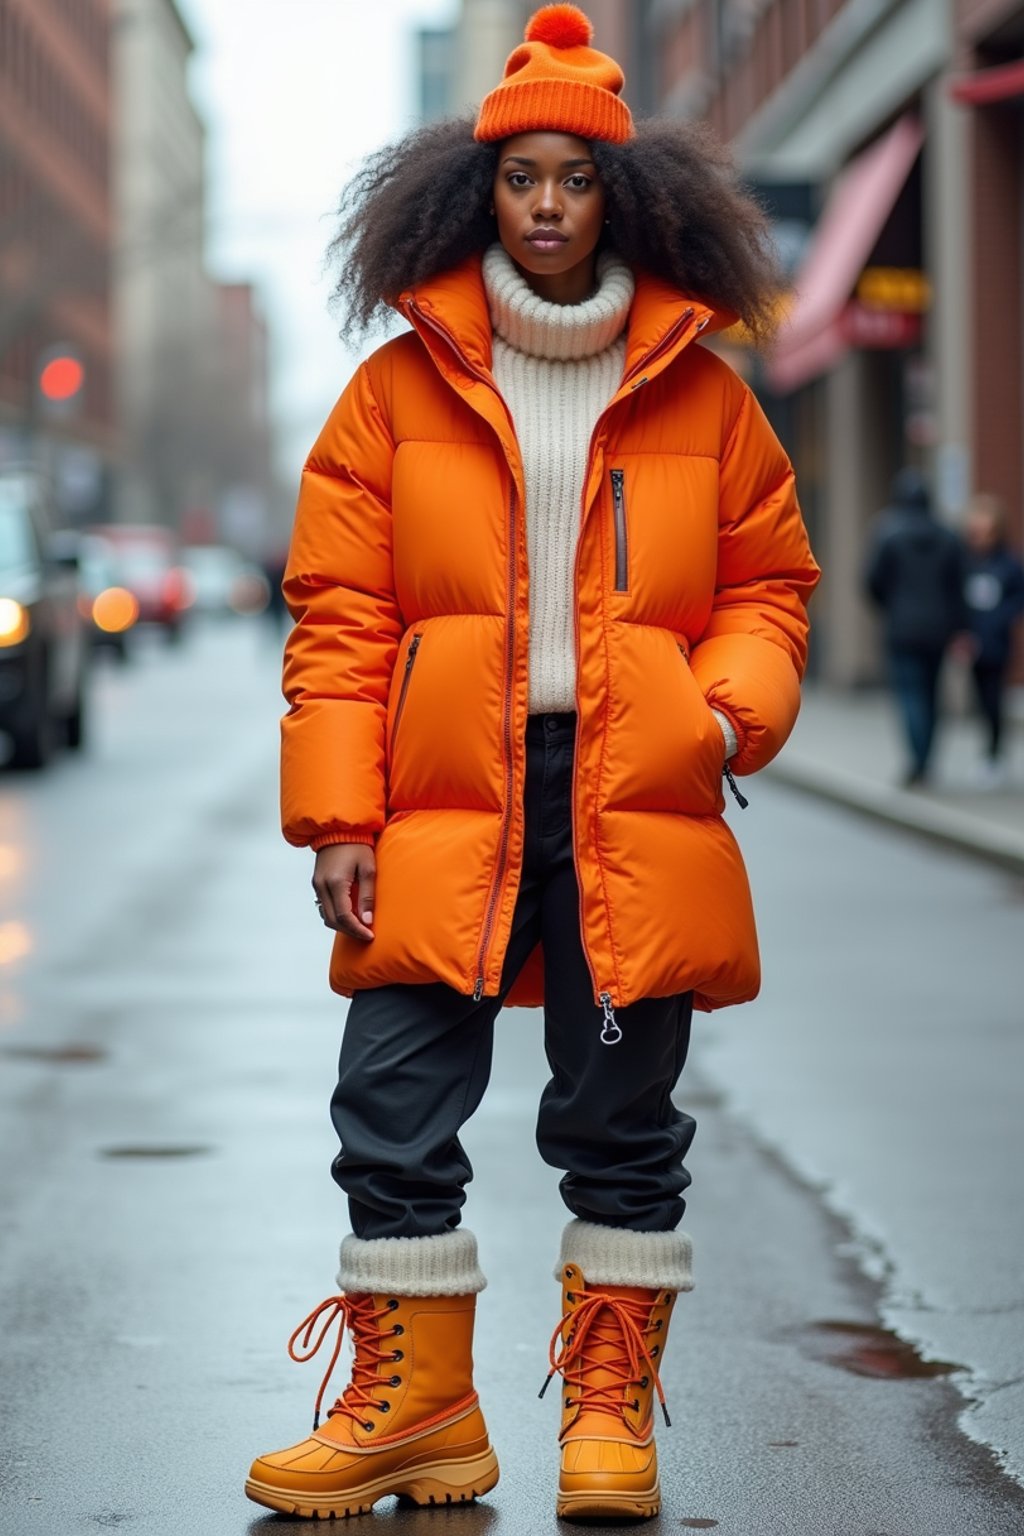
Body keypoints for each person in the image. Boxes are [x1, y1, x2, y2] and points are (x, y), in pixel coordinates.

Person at [246, 5, 819, 1523]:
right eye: (523, 178)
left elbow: (771, 585)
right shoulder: (393, 391)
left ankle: (607, 1422)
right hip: (445, 799)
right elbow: (339, 614)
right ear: (476, 193)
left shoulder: (708, 391)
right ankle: (419, 1412)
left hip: (633, 796)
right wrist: (336, 817)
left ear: (620, 196)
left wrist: (724, 711)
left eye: (577, 176)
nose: (550, 203)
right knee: (389, 1102)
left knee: (623, 1122)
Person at [864, 467, 964, 787]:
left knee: (909, 694)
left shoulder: (888, 533)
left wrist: (890, 608)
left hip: (902, 628)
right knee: (931, 694)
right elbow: (958, 585)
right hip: (938, 629)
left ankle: (918, 762)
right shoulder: (948, 536)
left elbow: (872, 581)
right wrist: (957, 624)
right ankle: (927, 760)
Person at [960, 494, 1024, 785]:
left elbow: (1016, 599)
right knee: (980, 701)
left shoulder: (1008, 564)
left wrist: (999, 621)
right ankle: (988, 753)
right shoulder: (966, 561)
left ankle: (995, 755)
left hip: (997, 643)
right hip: (973, 643)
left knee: (995, 699)